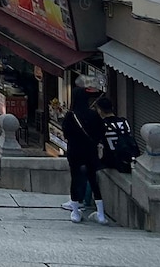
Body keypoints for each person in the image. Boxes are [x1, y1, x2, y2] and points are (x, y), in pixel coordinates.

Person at [62, 89, 107, 224]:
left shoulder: (71, 116)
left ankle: (75, 212)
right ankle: (101, 214)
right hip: (90, 151)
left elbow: (66, 134)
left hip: (75, 151)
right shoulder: (94, 115)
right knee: (93, 180)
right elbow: (101, 132)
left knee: (75, 179)